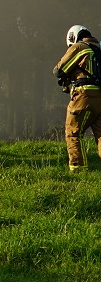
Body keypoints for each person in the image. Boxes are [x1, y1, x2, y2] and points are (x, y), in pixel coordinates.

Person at [55, 24, 101, 172]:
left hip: (84, 96)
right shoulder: (98, 48)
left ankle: (78, 168)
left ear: (73, 38)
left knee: (73, 132)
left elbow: (59, 70)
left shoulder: (79, 47)